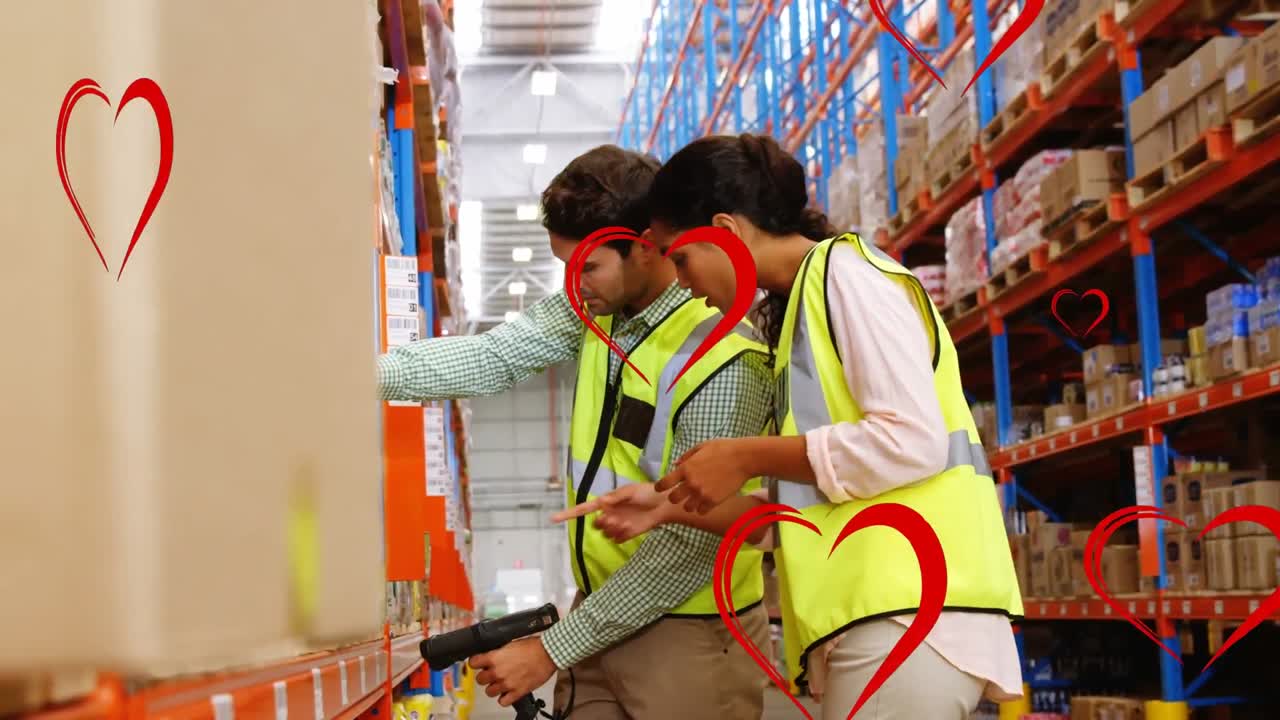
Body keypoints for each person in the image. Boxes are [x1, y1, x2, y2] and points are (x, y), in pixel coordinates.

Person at [553, 134, 1025, 720]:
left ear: (727, 230)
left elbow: (911, 442)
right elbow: (796, 507)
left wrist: (749, 454)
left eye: (680, 257)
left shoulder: (846, 276)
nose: (685, 281)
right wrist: (668, 503)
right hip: (883, 613)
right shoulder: (801, 309)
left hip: (911, 609)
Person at [377, 144, 776, 719]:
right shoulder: (597, 311)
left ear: (646, 247)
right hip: (601, 619)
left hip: (688, 636)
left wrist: (551, 649)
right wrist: (358, 377)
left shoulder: (723, 354)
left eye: (588, 265)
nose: (575, 283)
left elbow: (693, 544)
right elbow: (494, 356)